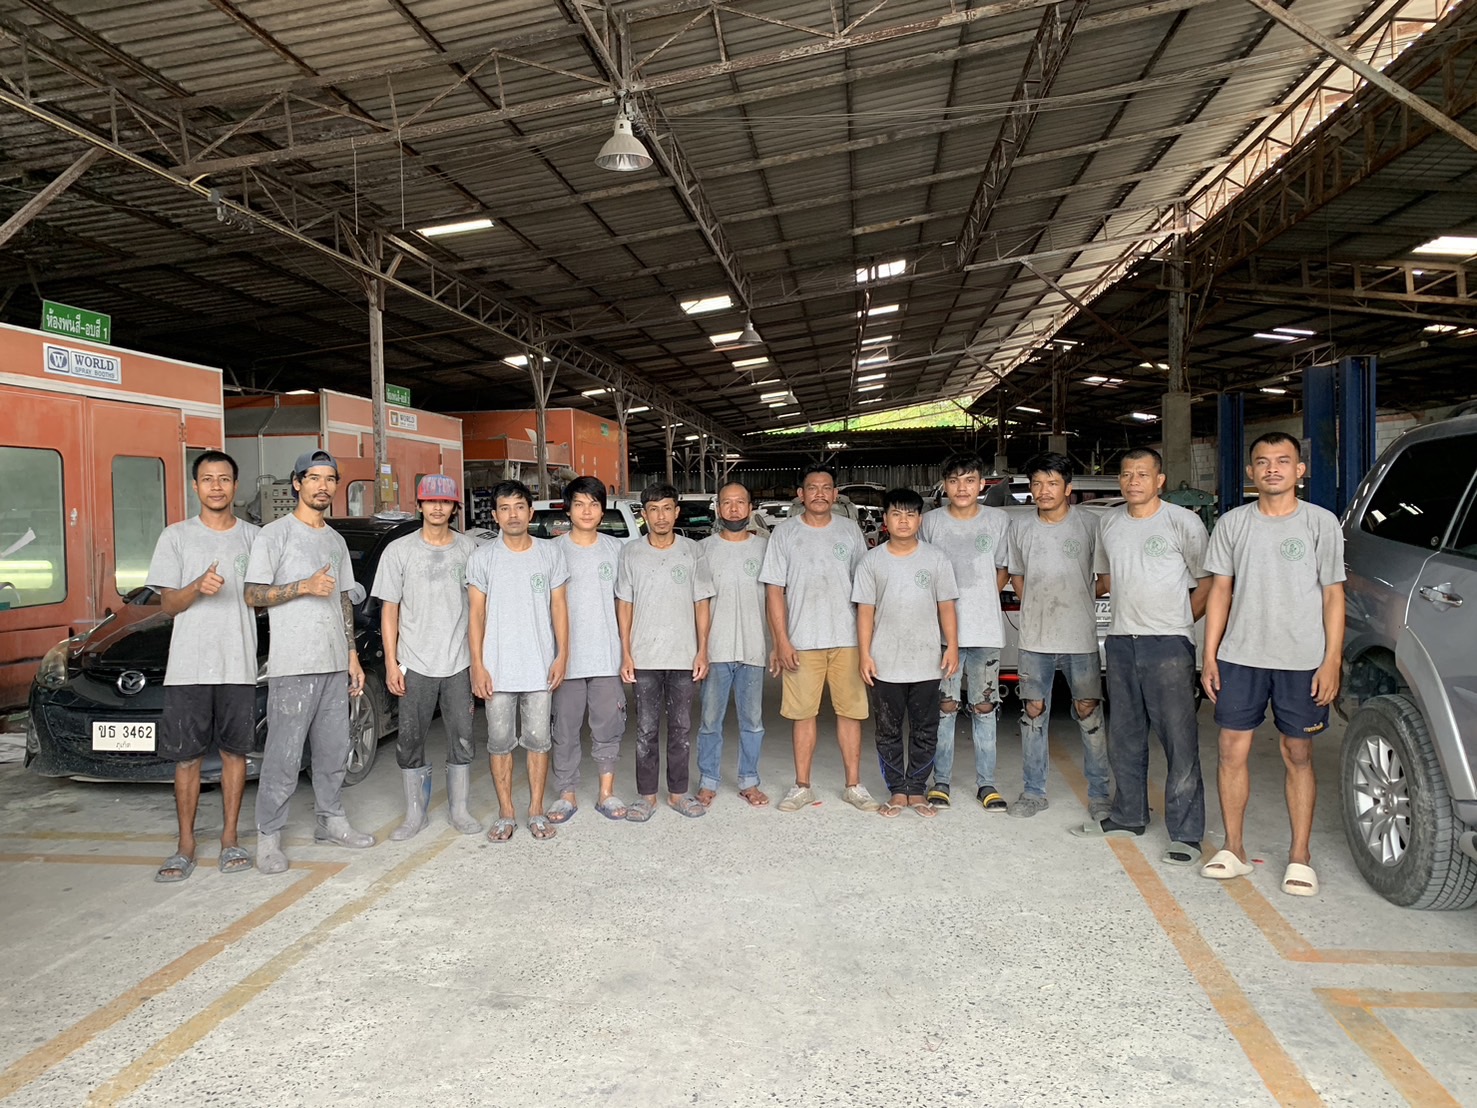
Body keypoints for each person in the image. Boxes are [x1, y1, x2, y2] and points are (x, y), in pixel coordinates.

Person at [1200, 432, 1345, 896]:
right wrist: (1209, 653)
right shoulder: (1232, 524)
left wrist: (1332, 660)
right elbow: (1220, 591)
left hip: (1301, 659)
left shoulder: (1321, 523)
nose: (1272, 469)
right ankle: (1234, 849)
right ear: (1251, 472)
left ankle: (1300, 855)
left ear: (1300, 470)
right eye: (1262, 462)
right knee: (1230, 749)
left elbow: (1333, 595)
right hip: (1240, 655)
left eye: (1283, 461)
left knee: (1298, 752)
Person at [1073, 448, 1211, 865]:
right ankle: (1128, 815)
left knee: (1178, 739)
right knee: (1126, 736)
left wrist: (1179, 624)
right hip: (1120, 641)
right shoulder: (1110, 523)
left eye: (1143, 474)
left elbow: (1206, 582)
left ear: (1160, 480)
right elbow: (1105, 579)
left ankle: (1186, 834)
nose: (1133, 481)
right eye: (1127, 474)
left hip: (1168, 643)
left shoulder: (1182, 522)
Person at [245, 449, 375, 874]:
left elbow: (343, 601)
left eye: (330, 479)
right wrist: (302, 586)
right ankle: (268, 836)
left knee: (334, 750)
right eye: (314, 478)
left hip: (334, 664)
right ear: (297, 483)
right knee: (283, 756)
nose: (323, 486)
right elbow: (252, 594)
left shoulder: (335, 541)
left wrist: (352, 655)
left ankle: (330, 820)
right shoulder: (274, 535)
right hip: (293, 665)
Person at [145, 450, 260, 881]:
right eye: (208, 479)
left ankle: (230, 839)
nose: (216, 486)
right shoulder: (175, 537)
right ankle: (186, 845)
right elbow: (168, 605)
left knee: (235, 754)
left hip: (238, 665)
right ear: (195, 487)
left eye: (224, 479)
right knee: (187, 759)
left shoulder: (254, 538)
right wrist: (196, 585)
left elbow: (263, 596)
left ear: (235, 486)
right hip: (188, 668)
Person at [759, 463, 881, 813]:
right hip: (801, 640)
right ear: (801, 494)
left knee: (851, 713)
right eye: (812, 488)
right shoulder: (784, 534)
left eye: (826, 488)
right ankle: (802, 786)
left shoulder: (849, 531)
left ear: (835, 494)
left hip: (847, 639)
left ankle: (854, 785)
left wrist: (867, 643)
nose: (819, 494)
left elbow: (865, 588)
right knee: (803, 715)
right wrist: (781, 640)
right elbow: (774, 591)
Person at [371, 474, 482, 840]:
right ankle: (414, 813)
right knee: (409, 738)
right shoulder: (399, 551)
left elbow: (480, 609)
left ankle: (459, 809)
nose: (437, 507)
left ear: (454, 507)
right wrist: (391, 663)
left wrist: (480, 660)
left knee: (462, 736)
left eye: (445, 501)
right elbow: (389, 610)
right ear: (419, 505)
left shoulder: (469, 550)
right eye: (431, 501)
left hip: (459, 661)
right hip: (414, 661)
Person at [466, 480, 570, 843]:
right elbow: (476, 615)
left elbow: (559, 607)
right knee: (499, 742)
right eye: (505, 508)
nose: (513, 515)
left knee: (539, 740)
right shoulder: (482, 558)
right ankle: (506, 813)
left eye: (519, 507)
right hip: (497, 669)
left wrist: (562, 654)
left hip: (539, 667)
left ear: (530, 512)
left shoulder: (550, 554)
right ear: (495, 516)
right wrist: (477, 665)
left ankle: (536, 810)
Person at [1008, 452, 1110, 819]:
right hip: (1034, 640)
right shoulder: (1020, 527)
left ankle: (1100, 795)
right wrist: (1036, 603)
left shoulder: (1090, 525)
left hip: (1079, 638)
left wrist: (1077, 597)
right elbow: (1016, 576)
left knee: (1088, 710)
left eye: (1052, 483)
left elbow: (1105, 579)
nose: (1044, 491)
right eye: (1037, 484)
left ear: (1068, 488)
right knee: (1033, 712)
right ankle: (1033, 792)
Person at [854, 488, 960, 818]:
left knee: (925, 729)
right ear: (885, 520)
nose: (903, 520)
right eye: (896, 514)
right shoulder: (872, 561)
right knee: (887, 730)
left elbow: (946, 606)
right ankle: (897, 791)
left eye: (910, 514)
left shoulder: (936, 559)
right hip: (885, 662)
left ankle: (917, 790)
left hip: (926, 661)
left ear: (920, 520)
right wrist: (864, 654)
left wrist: (952, 646)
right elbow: (865, 611)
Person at [616, 482, 714, 821]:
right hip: (644, 657)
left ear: (677, 512)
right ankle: (647, 797)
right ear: (644, 515)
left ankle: (678, 793)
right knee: (645, 730)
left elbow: (702, 603)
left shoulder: (692, 551)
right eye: (654, 510)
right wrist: (626, 653)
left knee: (681, 729)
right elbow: (624, 604)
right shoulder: (631, 553)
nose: (661, 516)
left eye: (667, 509)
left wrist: (702, 650)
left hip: (684, 656)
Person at [920, 452, 1012, 811]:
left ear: (981, 484)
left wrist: (984, 596)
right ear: (945, 485)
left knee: (984, 705)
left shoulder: (998, 520)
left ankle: (986, 783)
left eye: (970, 480)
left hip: (985, 632)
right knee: (944, 706)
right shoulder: (930, 523)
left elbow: (1003, 568)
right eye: (955, 480)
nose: (962, 488)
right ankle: (940, 781)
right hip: (942, 635)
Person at [549, 476, 629, 823]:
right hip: (565, 659)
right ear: (568, 510)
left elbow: (624, 604)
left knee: (608, 726)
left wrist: (626, 651)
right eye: (579, 504)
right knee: (564, 729)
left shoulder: (617, 550)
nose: (586, 511)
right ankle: (566, 793)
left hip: (606, 656)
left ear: (602, 510)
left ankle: (606, 793)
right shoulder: (552, 551)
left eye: (594, 504)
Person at [696, 481, 773, 808]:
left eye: (740, 502)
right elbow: (698, 603)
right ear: (718, 508)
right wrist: (700, 650)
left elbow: (775, 600)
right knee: (709, 721)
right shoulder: (703, 550)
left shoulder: (765, 549)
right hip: (716, 650)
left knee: (752, 722)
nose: (734, 508)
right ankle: (708, 780)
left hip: (753, 649)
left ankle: (749, 781)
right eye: (727, 502)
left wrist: (778, 644)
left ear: (750, 508)